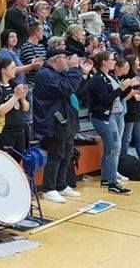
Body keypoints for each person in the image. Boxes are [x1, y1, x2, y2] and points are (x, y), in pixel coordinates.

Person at [34, 49, 91, 203]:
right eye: (65, 58)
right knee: (56, 155)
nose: (67, 61)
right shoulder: (45, 74)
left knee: (66, 154)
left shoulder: (58, 74)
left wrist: (82, 73)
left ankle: (61, 184)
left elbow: (75, 89)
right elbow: (66, 88)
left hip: (66, 120)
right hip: (53, 121)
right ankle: (49, 188)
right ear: (56, 59)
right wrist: (74, 69)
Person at [87, 51, 136, 194]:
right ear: (103, 62)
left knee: (111, 148)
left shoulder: (111, 76)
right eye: (111, 60)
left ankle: (106, 178)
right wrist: (121, 88)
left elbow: (118, 97)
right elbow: (105, 99)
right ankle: (113, 182)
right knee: (114, 148)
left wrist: (128, 88)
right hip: (104, 117)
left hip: (117, 114)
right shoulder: (97, 79)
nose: (114, 62)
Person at [0, 58, 29, 157]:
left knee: (17, 162)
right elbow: (0, 111)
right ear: (3, 70)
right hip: (3, 132)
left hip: (19, 132)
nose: (15, 69)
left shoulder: (14, 85)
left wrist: (22, 98)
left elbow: (26, 108)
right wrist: (15, 96)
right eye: (13, 67)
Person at [121, 55, 140, 162]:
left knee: (134, 139)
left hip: (135, 110)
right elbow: (125, 96)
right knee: (128, 139)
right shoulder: (128, 77)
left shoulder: (133, 75)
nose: (139, 61)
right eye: (137, 60)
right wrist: (139, 100)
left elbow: (139, 93)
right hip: (130, 111)